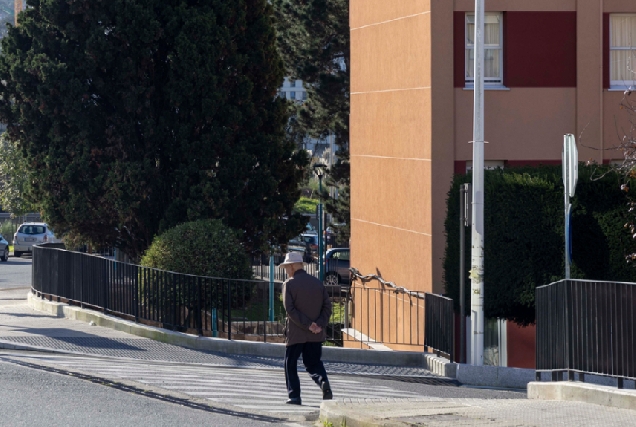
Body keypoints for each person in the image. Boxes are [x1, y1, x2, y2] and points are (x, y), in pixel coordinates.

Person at [280, 251, 332, 405]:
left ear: (291, 267)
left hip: (296, 334)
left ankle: (294, 396)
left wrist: (308, 324)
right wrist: (319, 325)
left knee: (290, 363)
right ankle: (323, 382)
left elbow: (290, 310)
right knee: (313, 363)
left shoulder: (288, 284)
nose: (286, 271)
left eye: (286, 267)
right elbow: (327, 307)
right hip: (316, 334)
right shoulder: (317, 283)